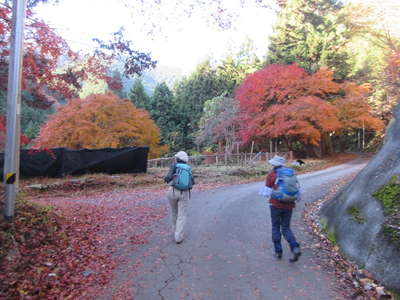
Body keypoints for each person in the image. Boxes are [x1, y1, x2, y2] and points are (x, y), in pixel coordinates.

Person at [265, 155, 301, 262]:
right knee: (286, 227)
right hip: (289, 205)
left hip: (275, 205)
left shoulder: (271, 174)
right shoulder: (290, 173)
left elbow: (267, 192)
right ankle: (294, 247)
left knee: (276, 227)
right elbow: (297, 188)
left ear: (273, 164)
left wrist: (272, 194)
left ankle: (278, 251)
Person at [164, 151, 195, 244]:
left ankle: (175, 231)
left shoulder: (174, 166)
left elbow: (167, 178)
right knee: (182, 215)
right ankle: (178, 237)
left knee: (174, 212)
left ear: (178, 159)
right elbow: (192, 182)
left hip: (172, 191)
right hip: (184, 193)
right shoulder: (188, 168)